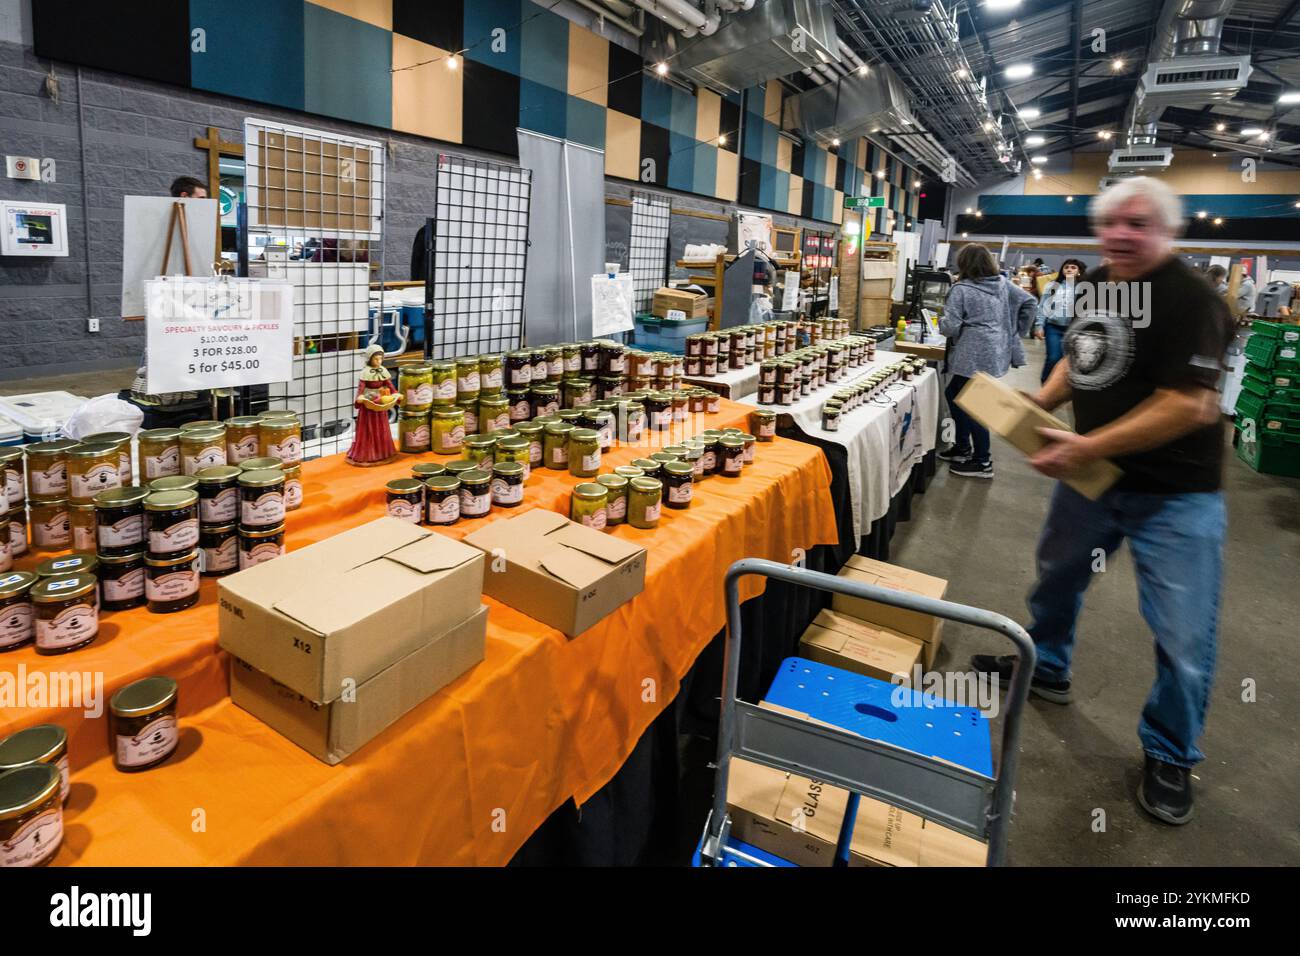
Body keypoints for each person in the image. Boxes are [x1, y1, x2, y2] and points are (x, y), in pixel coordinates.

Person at [971, 176, 1233, 826]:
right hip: (1095, 483)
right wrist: (1039, 403)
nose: (1121, 234)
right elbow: (1083, 360)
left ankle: (1171, 752)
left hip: (1175, 494)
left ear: (1168, 230)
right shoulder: (1097, 283)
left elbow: (1189, 403)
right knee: (1057, 578)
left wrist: (1087, 447)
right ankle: (1047, 665)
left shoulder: (1194, 300)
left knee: (1181, 632)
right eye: (1111, 222)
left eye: (1138, 223)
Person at [937, 243, 1037, 478]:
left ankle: (983, 462)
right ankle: (963, 448)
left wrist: (940, 323)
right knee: (955, 394)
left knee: (973, 404)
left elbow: (950, 326)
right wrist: (1014, 331)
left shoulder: (961, 289)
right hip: (994, 350)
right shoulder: (1002, 284)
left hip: (972, 351)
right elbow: (1030, 303)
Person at [1034, 259, 1087, 383]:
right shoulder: (1052, 286)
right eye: (1066, 267)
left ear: (1079, 272)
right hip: (1053, 327)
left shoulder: (1084, 288)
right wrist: (1039, 326)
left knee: (1070, 362)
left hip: (1075, 330)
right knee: (1053, 357)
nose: (1069, 269)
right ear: (1062, 271)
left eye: (1073, 267)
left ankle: (1061, 387)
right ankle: (1045, 383)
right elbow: (1043, 307)